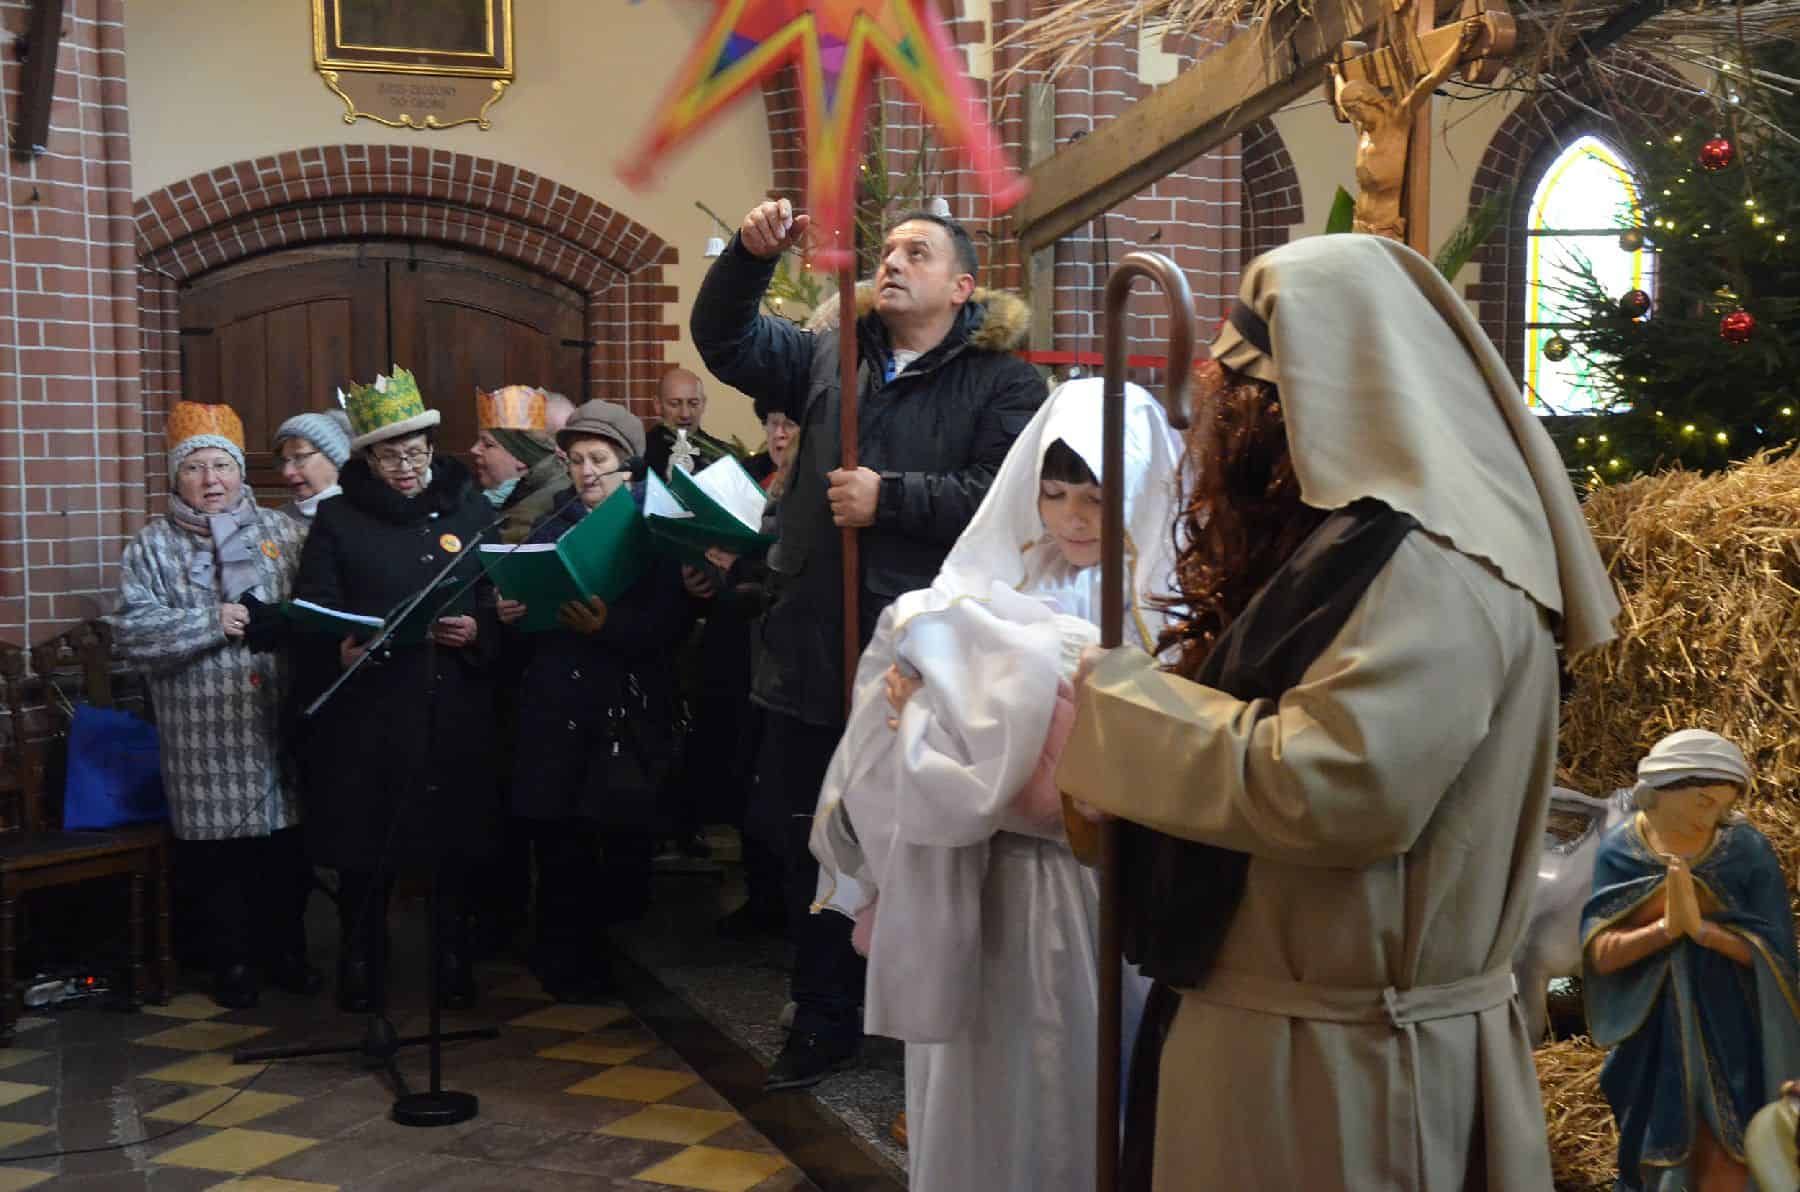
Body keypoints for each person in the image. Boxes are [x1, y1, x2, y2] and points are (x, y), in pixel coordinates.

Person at [1055, 234, 1621, 1190]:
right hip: (1281, 1036)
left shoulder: (1436, 570)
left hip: (1345, 1074)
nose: (1221, 421)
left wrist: (1119, 709)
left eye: (1243, 393)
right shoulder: (1349, 549)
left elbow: (1341, 784)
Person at [691, 198, 1045, 1088]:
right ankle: (824, 1012)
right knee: (812, 835)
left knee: (913, 839)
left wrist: (894, 499)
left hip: (924, 656)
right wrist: (747, 257)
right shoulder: (830, 354)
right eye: (887, 249)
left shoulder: (1003, 383)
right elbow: (725, 341)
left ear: (962, 287)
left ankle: (924, 1017)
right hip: (814, 642)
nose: (893, 261)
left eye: (917, 252)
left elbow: (1005, 497)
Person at [811, 378, 1178, 1190]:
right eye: (1054, 494)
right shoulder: (998, 577)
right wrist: (914, 696)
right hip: (985, 869)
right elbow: (913, 669)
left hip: (1092, 878)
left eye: (1097, 498)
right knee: (987, 1067)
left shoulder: (1160, 598)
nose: (1073, 518)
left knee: (1081, 1063)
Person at [290, 366, 500, 1013]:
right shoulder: (338, 519)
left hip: (451, 702)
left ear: (432, 448)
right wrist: (341, 648)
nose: (406, 468)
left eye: (415, 453)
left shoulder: (470, 508)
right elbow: (314, 608)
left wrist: (481, 628)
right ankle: (362, 959)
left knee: (452, 840)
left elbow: (499, 593)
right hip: (371, 709)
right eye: (390, 457)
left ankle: (453, 956)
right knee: (367, 843)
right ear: (367, 459)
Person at [109, 402, 316, 1009]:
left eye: (221, 466)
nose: (211, 480)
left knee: (285, 848)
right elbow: (131, 632)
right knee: (218, 856)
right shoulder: (150, 546)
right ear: (176, 477)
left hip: (274, 716)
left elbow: (314, 614)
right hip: (201, 730)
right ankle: (232, 962)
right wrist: (209, 622)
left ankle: (288, 952)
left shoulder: (285, 534)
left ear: (240, 472)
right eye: (195, 467)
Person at [497, 400, 688, 1000]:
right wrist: (510, 610)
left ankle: (609, 963)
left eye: (599, 460)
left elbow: (670, 625)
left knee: (614, 843)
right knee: (559, 843)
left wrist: (610, 627)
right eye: (577, 460)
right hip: (555, 704)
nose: (586, 472)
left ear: (628, 466)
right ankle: (560, 958)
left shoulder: (654, 529)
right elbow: (525, 606)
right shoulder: (552, 523)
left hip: (619, 710)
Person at [1583, 729, 1800, 1192]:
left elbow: (1777, 956)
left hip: (1733, 1025)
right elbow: (1600, 955)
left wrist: (1703, 932)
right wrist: (1665, 929)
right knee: (1656, 1143)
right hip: (1653, 1028)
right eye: (1702, 801)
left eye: (1722, 804)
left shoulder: (1745, 851)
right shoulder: (1622, 851)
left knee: (1731, 1147)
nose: (1713, 815)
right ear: (1661, 792)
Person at [471, 385, 572, 543]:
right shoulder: (522, 492)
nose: (474, 449)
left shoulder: (534, 511)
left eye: (488, 444)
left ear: (520, 456)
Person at [644, 367, 737, 479]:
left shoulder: (724, 456)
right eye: (675, 404)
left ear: (703, 404)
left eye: (693, 404)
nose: (685, 414)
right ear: (658, 405)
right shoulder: (641, 452)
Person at [272, 409, 352, 526]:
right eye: (284, 461)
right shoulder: (275, 523)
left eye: (300, 457)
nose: (287, 472)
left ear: (334, 458)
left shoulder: (365, 517)